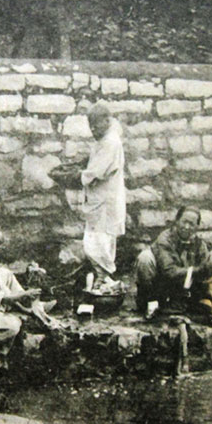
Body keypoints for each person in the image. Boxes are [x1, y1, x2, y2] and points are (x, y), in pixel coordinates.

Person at [135, 207, 212, 321]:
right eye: (184, 222)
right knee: (145, 257)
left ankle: (188, 302)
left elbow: (205, 275)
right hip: (160, 287)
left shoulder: (199, 244)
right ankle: (151, 304)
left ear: (197, 227)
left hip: (182, 290)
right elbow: (169, 271)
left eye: (191, 224)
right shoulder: (165, 239)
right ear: (177, 221)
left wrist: (210, 292)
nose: (186, 227)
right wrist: (198, 270)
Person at [81, 103, 126, 289]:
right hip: (101, 200)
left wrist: (81, 175)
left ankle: (104, 278)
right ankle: (102, 279)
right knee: (99, 241)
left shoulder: (110, 142)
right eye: (90, 125)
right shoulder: (105, 139)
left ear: (107, 121)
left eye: (96, 124)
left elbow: (96, 172)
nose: (92, 129)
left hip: (105, 203)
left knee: (97, 243)